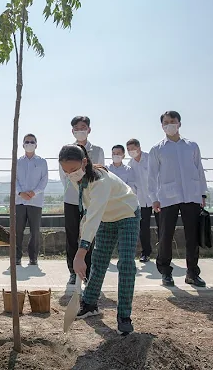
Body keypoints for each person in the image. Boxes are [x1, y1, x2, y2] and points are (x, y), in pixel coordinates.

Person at [59, 144, 140, 336]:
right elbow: (89, 212)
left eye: (73, 169)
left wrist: (80, 253)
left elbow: (94, 215)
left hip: (126, 214)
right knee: (99, 261)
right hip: (106, 218)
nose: (70, 174)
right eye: (66, 171)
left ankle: (124, 316)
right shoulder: (76, 179)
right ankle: (89, 303)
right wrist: (82, 241)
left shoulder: (101, 180)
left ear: (84, 162)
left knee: (126, 264)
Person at [148, 110, 207, 287]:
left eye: (172, 121)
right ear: (162, 126)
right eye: (166, 122)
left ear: (179, 123)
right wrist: (154, 198)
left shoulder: (191, 146)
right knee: (166, 235)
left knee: (192, 236)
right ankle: (166, 272)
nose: (169, 125)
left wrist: (202, 194)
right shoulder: (157, 149)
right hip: (167, 197)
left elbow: (199, 170)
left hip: (191, 195)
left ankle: (192, 272)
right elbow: (151, 176)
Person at [59, 116, 105, 285]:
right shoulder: (66, 150)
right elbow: (65, 177)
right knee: (71, 235)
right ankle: (72, 270)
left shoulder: (97, 150)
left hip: (90, 199)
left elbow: (99, 175)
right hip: (71, 198)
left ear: (89, 129)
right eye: (77, 128)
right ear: (72, 131)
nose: (80, 130)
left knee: (89, 233)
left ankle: (88, 269)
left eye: (83, 127)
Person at [14, 133, 49, 266]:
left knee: (35, 231)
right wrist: (20, 193)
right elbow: (14, 179)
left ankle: (33, 257)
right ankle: (17, 257)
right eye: (27, 142)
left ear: (36, 144)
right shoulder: (17, 162)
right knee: (18, 230)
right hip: (20, 201)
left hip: (36, 201)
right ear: (23, 144)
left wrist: (34, 192)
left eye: (32, 142)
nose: (29, 144)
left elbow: (44, 180)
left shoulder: (42, 162)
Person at [126, 138, 159, 263]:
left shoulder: (150, 158)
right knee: (143, 227)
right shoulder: (130, 165)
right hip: (141, 200)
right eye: (129, 150)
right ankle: (146, 252)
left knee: (162, 225)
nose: (131, 151)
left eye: (133, 149)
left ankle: (163, 252)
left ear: (139, 147)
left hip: (156, 197)